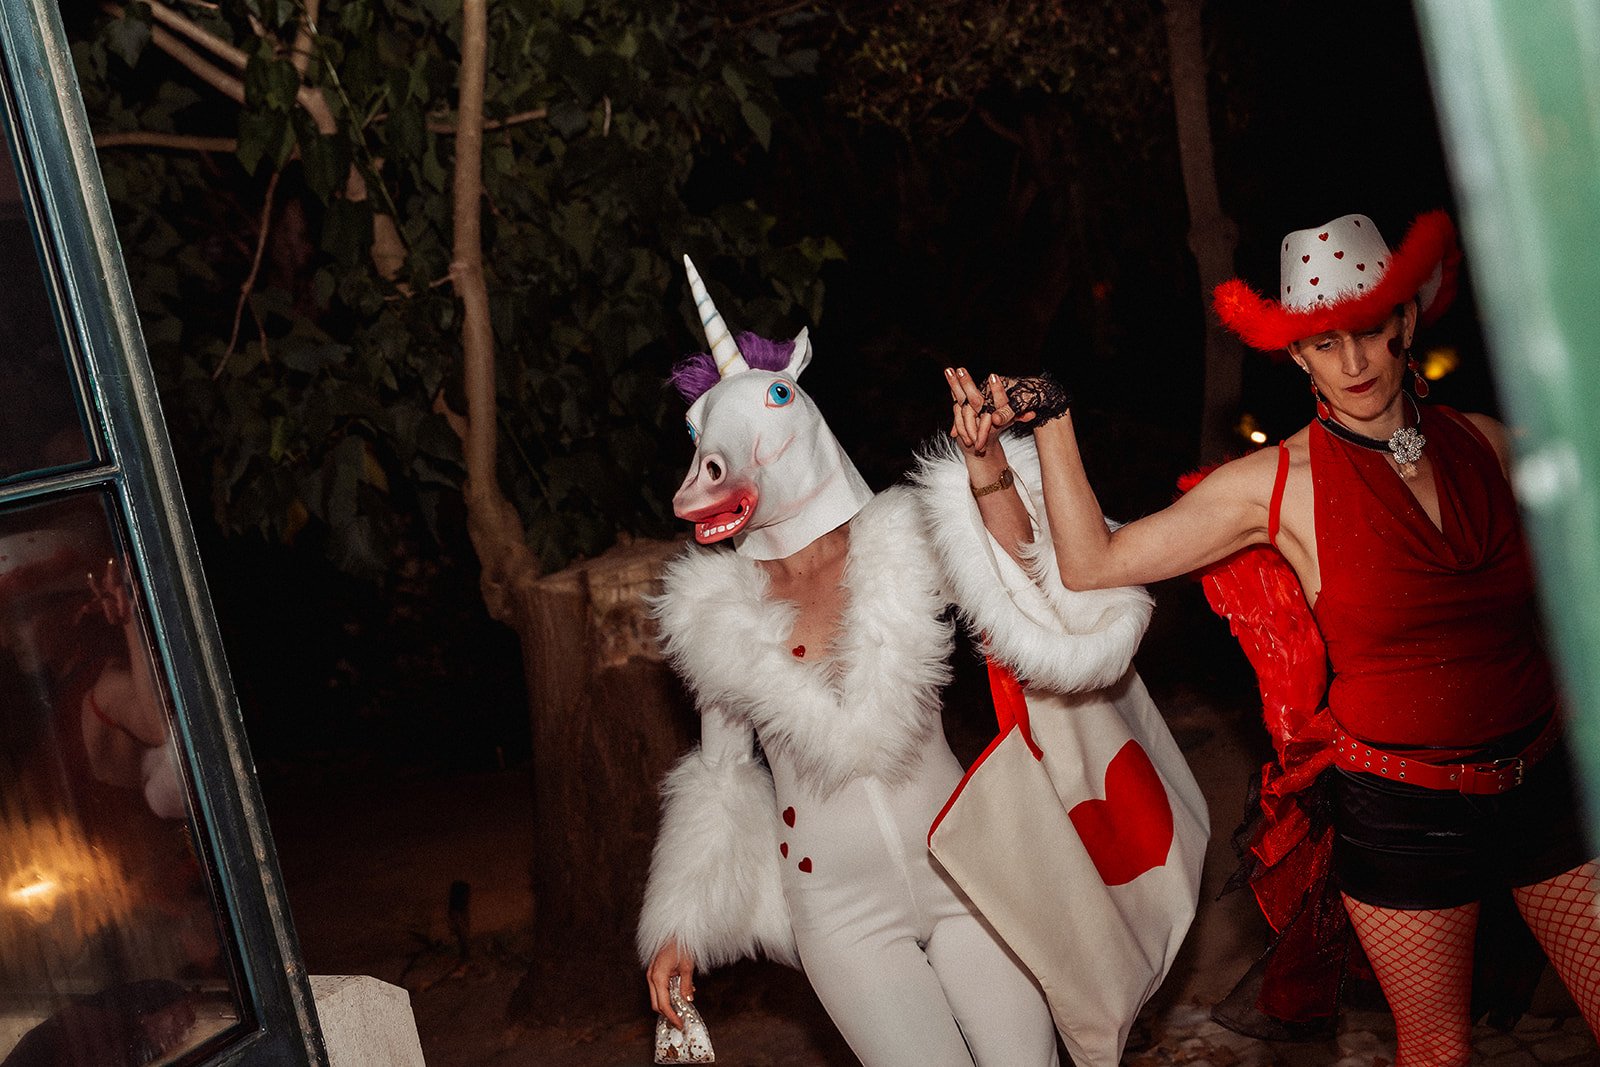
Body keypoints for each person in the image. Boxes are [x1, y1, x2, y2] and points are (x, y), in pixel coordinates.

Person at [946, 210, 1600, 1067]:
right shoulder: (1277, 484)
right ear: (1296, 355)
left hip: (1542, 782)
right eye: (1325, 344)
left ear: (1405, 321)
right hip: (1403, 814)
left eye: (1369, 331)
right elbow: (1094, 562)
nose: (1354, 362)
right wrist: (1051, 422)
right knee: (1437, 1049)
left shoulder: (1488, 444)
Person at [637, 257, 1166, 1066]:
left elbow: (1025, 574)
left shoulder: (909, 535)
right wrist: (680, 923)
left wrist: (990, 469)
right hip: (838, 910)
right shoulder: (718, 612)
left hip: (969, 871)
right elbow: (719, 773)